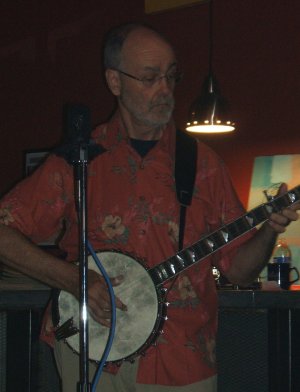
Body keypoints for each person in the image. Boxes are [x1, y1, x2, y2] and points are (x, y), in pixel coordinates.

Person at [0, 22, 299, 392]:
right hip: (89, 353)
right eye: (149, 77)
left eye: (171, 76)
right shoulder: (77, 160)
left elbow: (238, 271)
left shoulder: (203, 165)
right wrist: (72, 280)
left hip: (181, 360)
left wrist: (270, 229)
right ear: (114, 81)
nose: (164, 90)